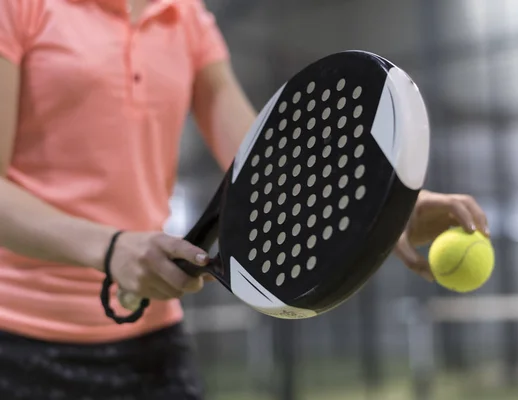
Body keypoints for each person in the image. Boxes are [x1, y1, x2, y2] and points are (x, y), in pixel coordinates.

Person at [0, 0, 490, 398]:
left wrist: (389, 205)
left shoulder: (184, 16)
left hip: (151, 338)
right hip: (18, 341)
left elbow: (259, 160)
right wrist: (111, 249)